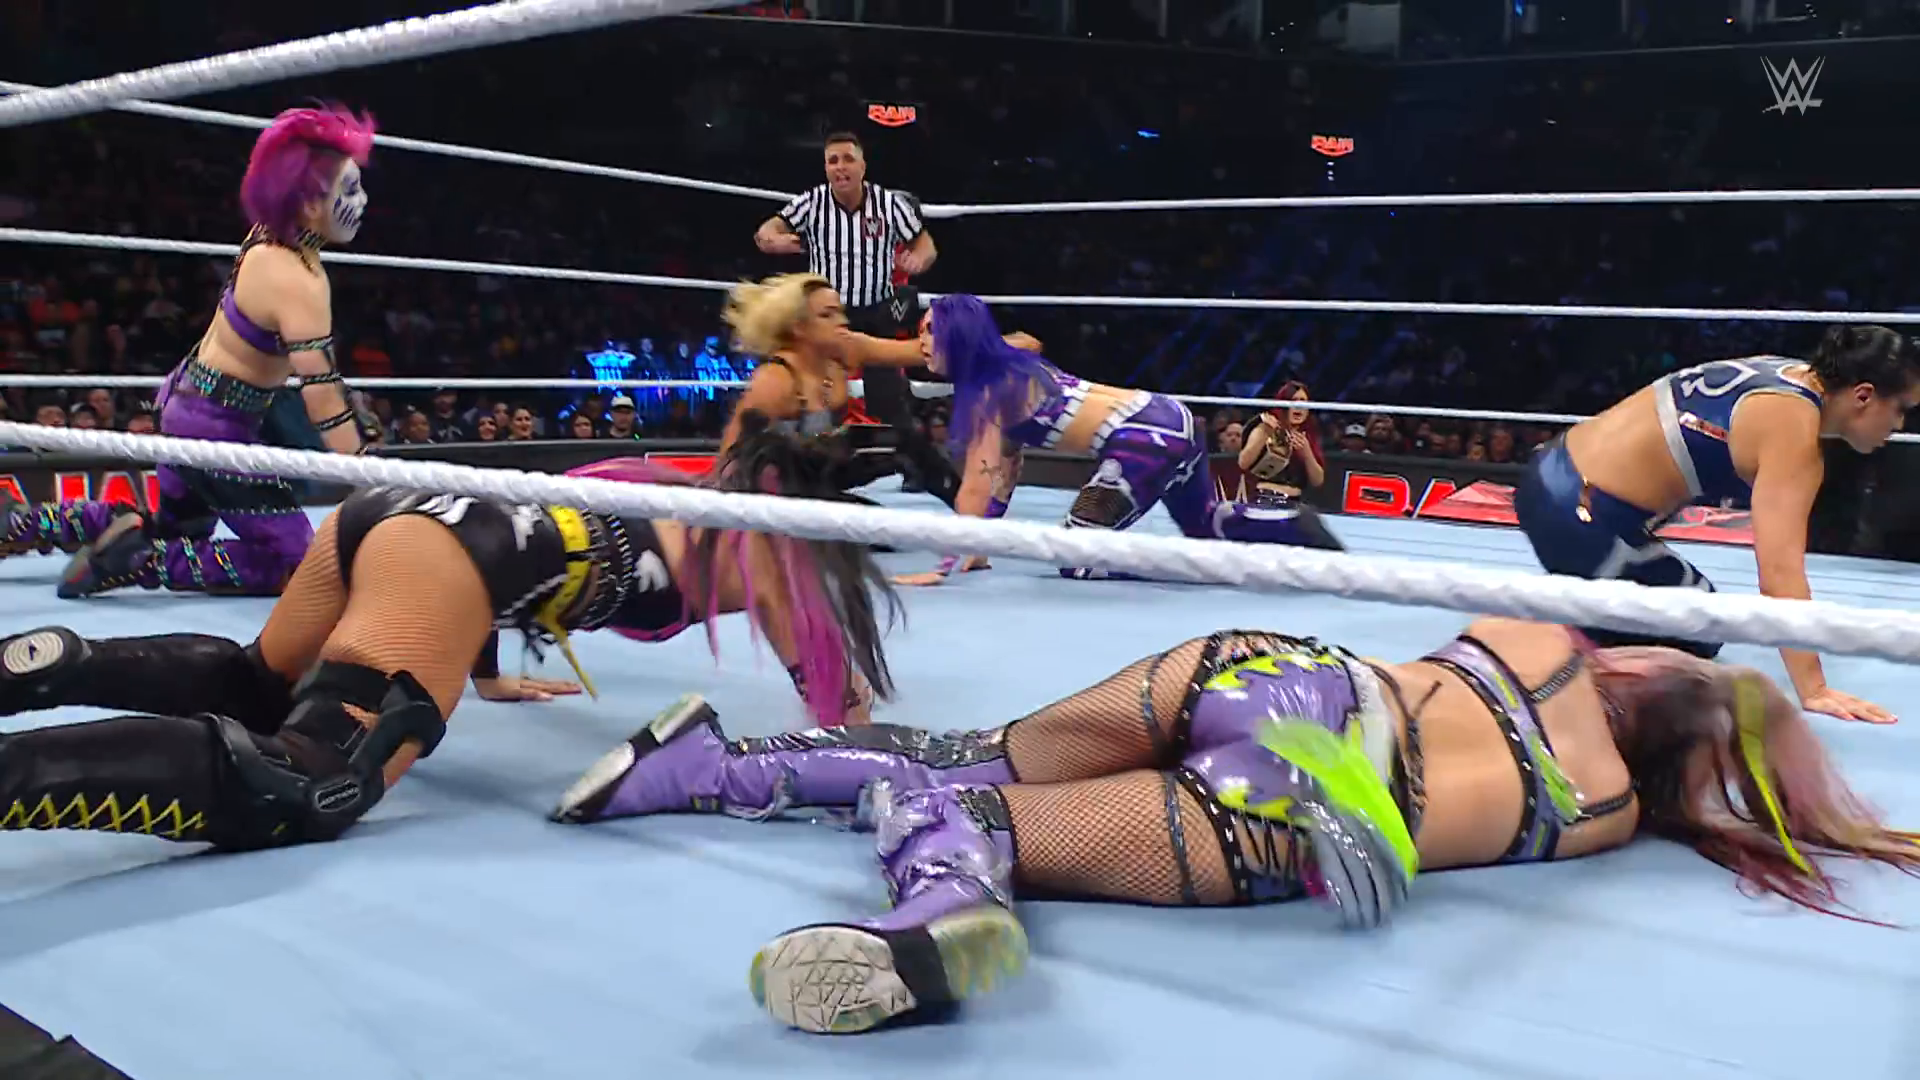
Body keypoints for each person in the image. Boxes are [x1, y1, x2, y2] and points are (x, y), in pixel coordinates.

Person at [552, 617, 1920, 1034]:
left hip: (1280, 681)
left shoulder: (1544, 643)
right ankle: (943, 910)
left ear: (1638, 666)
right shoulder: (1605, 820)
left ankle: (699, 768)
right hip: (1298, 833)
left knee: (972, 753)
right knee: (979, 815)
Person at [0, 418, 899, 851]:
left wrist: (486, 670)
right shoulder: (774, 554)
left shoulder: (661, 479)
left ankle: (40, 665)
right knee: (311, 777)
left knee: (253, 685)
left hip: (394, 514)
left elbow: (524, 543)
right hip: (450, 556)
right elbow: (839, 713)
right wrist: (875, 748)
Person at [0, 105, 381, 598]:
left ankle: (26, 523)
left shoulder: (267, 239)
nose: (363, 202)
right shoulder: (298, 281)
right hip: (213, 430)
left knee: (174, 526)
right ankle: (143, 561)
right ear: (308, 203)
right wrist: (370, 472)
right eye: (349, 189)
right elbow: (322, 395)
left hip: (185, 403)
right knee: (296, 564)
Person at [1515, 325, 1920, 724]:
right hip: (1579, 515)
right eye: (1901, 408)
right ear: (1863, 395)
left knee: (1699, 610)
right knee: (1693, 635)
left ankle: (1581, 620)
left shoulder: (1787, 374)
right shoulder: (1794, 431)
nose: (1900, 425)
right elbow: (1779, 575)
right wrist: (1814, 689)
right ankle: (1556, 669)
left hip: (1553, 472)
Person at [891, 295, 1343, 586]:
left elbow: (976, 487)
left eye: (930, 330)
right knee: (1204, 525)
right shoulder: (1008, 366)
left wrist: (941, 568)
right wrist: (977, 547)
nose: (920, 342)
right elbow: (1004, 470)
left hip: (1142, 439)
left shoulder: (990, 392)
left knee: (1077, 556)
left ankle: (1191, 564)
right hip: (1170, 417)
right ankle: (1288, 520)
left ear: (959, 336)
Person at [753, 132, 955, 503]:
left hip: (874, 312)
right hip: (825, 319)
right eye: (833, 160)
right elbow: (766, 231)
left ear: (863, 165)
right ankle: (804, 472)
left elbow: (925, 243)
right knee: (820, 397)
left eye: (847, 159)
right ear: (825, 167)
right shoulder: (812, 202)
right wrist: (775, 240)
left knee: (888, 401)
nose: (840, 167)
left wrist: (918, 259)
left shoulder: (888, 204)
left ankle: (924, 472)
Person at [718, 273, 1036, 493]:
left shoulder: (846, 348)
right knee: (859, 531)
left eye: (840, 312)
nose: (842, 321)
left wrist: (999, 346)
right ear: (799, 327)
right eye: (827, 315)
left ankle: (968, 521)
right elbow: (733, 453)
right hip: (778, 489)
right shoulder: (776, 379)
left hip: (822, 468)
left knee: (903, 442)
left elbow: (917, 351)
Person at [1237, 380, 1327, 506]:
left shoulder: (1308, 435)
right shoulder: (1266, 426)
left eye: (1303, 401)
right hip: (1266, 500)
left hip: (1295, 502)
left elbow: (1318, 481)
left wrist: (1307, 454)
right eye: (1293, 400)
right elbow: (1243, 462)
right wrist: (1265, 434)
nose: (1299, 406)